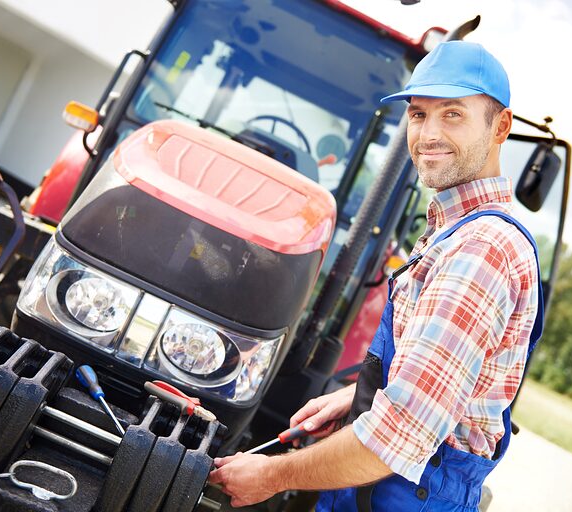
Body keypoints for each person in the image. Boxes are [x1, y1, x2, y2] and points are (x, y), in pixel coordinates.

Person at [209, 40, 544, 511]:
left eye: (452, 114)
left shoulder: (481, 249)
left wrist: (269, 475)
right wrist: (359, 396)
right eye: (418, 114)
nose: (428, 134)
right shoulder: (450, 233)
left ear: (500, 127)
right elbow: (438, 378)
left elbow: (400, 434)